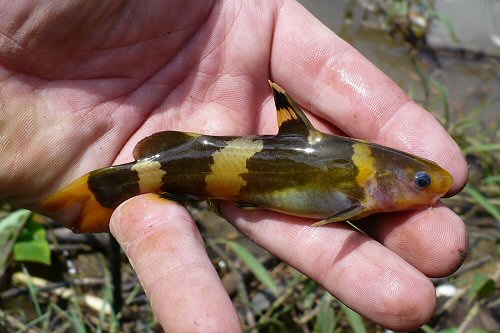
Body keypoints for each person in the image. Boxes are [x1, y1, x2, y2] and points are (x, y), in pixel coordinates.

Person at [0, 1, 468, 331]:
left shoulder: (364, 184)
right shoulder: (357, 195)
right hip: (197, 160)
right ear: (382, 182)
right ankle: (103, 193)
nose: (430, 190)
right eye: (422, 182)